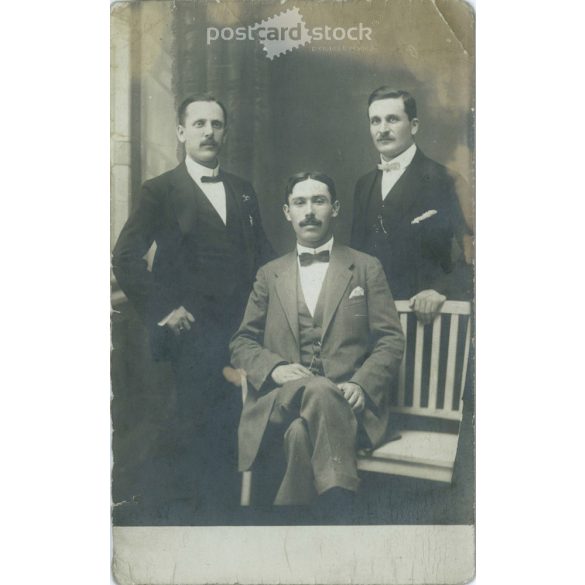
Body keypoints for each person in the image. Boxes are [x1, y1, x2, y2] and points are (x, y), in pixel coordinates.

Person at [112, 94, 273, 518]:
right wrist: (165, 309)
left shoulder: (242, 191)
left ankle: (227, 524)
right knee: (189, 433)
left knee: (235, 429)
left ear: (225, 132)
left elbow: (266, 260)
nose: (209, 132)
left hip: (241, 335)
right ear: (182, 132)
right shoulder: (159, 190)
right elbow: (125, 256)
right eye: (199, 124)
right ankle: (189, 530)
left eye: (216, 124)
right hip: (187, 339)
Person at [229, 172, 404, 510]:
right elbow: (241, 342)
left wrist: (362, 384)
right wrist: (275, 368)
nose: (309, 211)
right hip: (281, 400)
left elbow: (390, 340)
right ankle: (341, 500)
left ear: (335, 208)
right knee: (320, 389)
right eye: (300, 203)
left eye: (318, 201)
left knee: (299, 433)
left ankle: (293, 516)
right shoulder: (269, 274)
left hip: (350, 406)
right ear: (287, 212)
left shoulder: (366, 268)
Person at [351, 87, 472, 325]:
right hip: (372, 323)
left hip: (428, 321)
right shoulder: (363, 186)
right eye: (375, 121)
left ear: (414, 125)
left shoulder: (446, 180)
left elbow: (475, 250)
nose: (383, 129)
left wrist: (441, 290)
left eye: (392, 119)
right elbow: (356, 258)